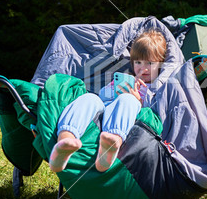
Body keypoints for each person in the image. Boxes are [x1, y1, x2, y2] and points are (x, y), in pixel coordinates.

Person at [48, 30, 167, 173]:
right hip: (102, 111)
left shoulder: (156, 88)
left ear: (161, 64)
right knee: (89, 98)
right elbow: (102, 96)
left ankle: (110, 146)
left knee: (128, 100)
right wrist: (114, 89)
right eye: (138, 62)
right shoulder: (126, 79)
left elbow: (154, 112)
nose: (144, 68)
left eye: (150, 63)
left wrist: (139, 101)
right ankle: (65, 140)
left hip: (120, 122)